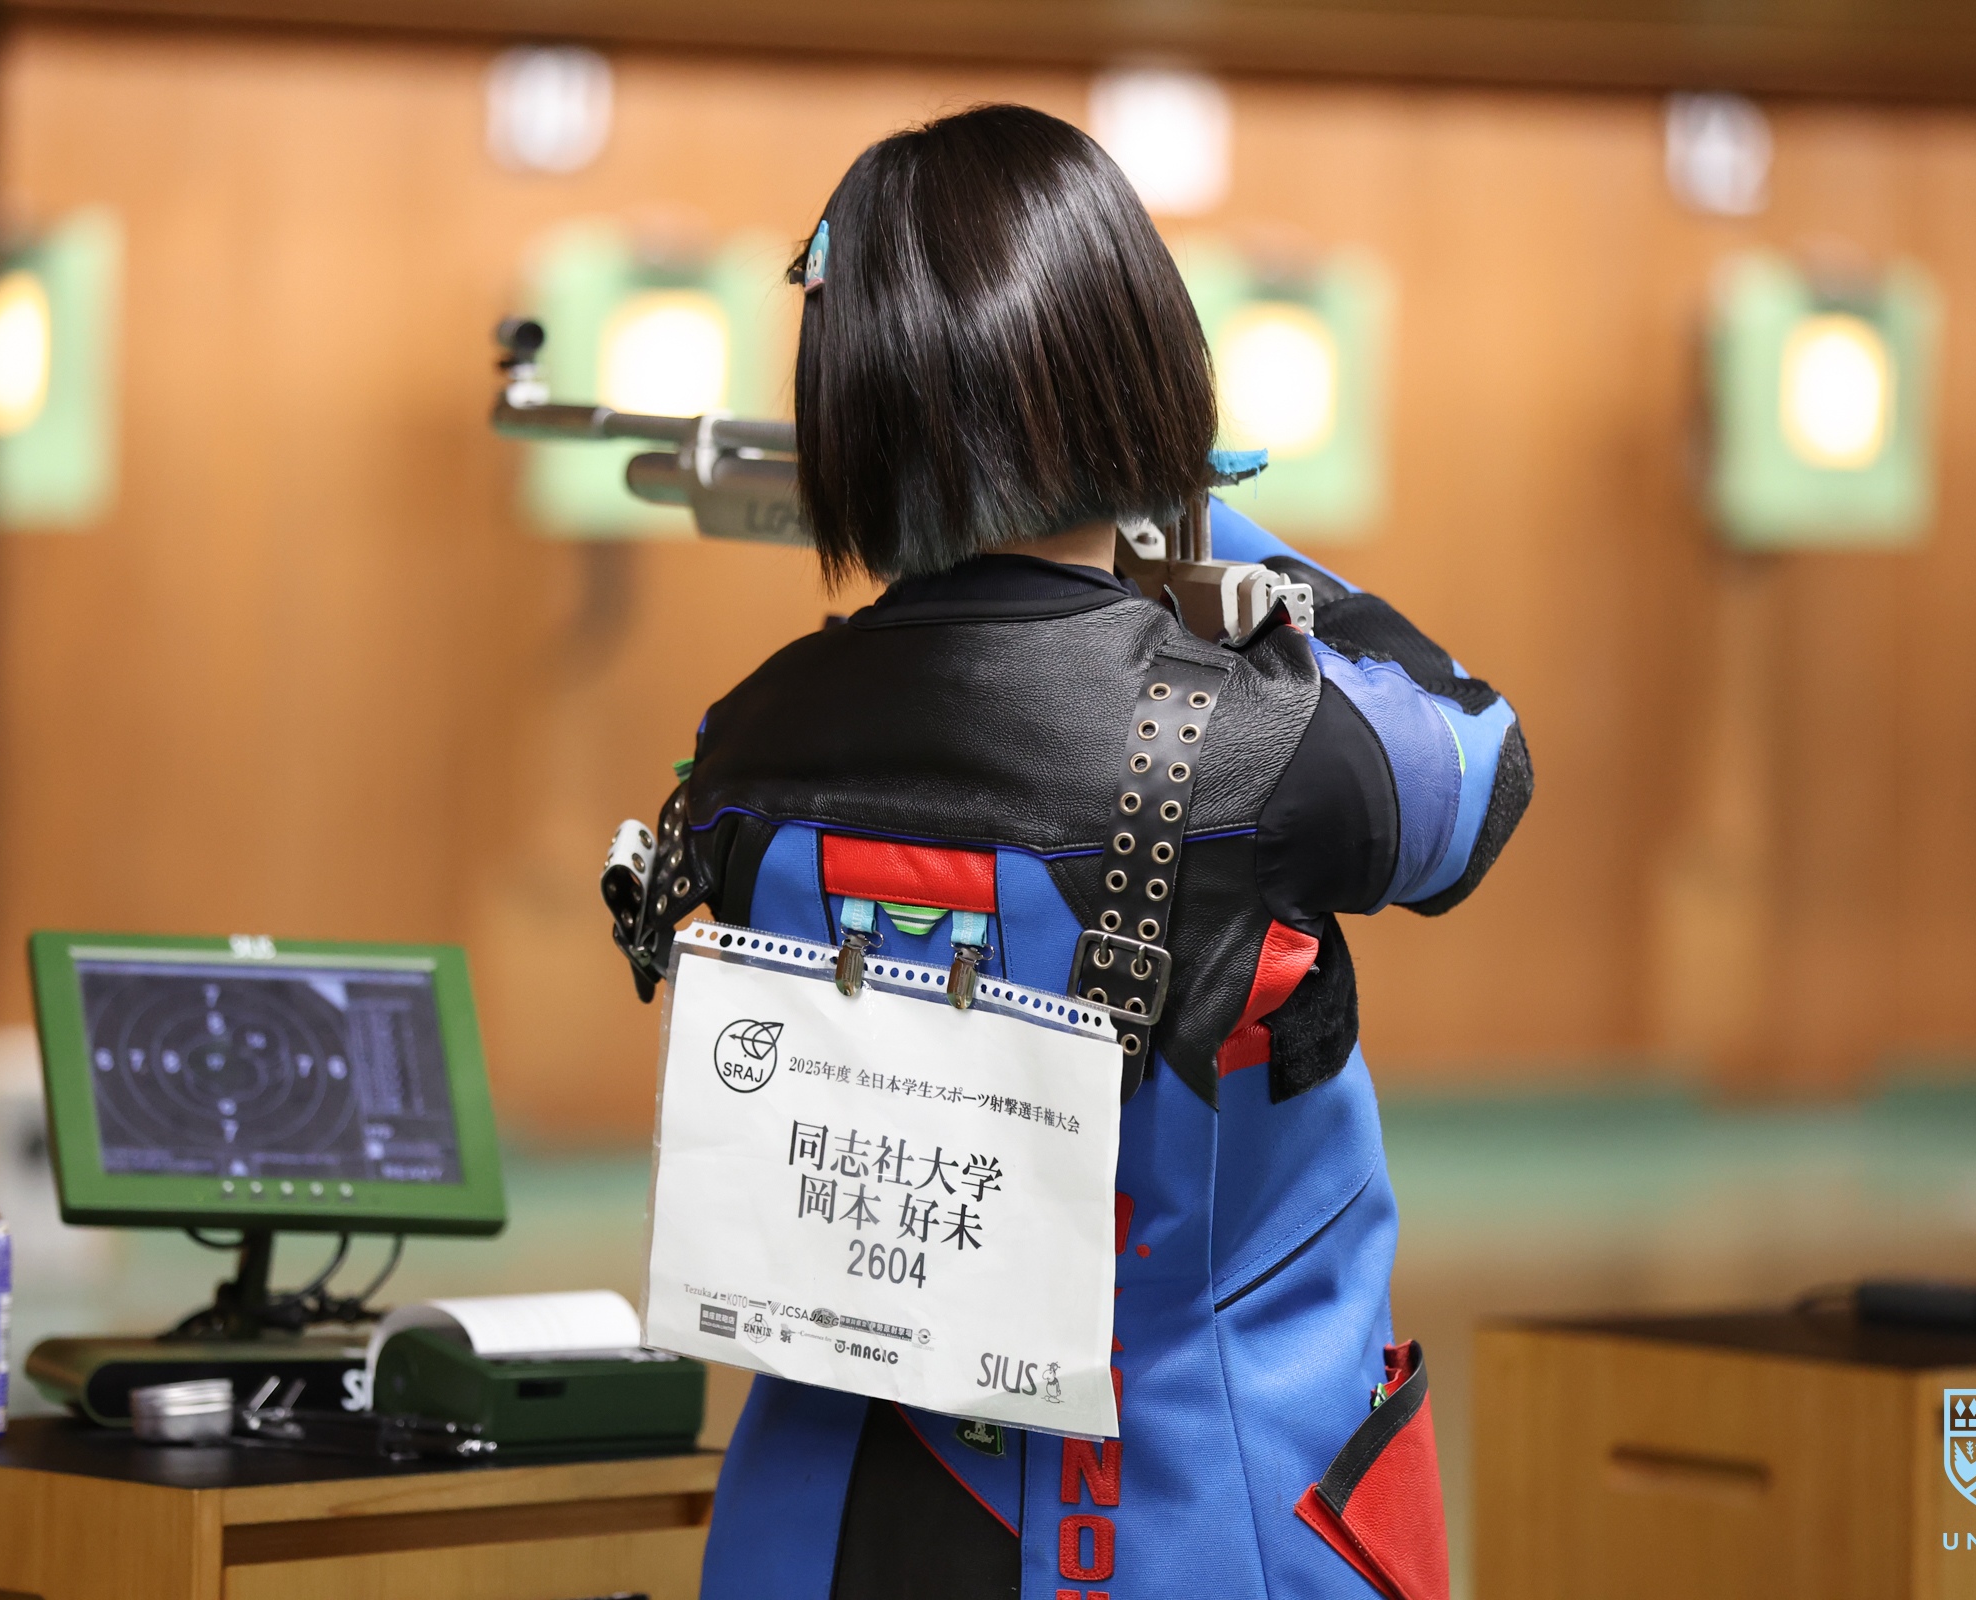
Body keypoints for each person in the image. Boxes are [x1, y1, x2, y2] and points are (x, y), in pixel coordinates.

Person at [613, 104, 1531, 1600]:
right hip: (1174, 1524)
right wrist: (1213, 531)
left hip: (815, 1524)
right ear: (1135, 358)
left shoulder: (744, 739)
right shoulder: (1268, 746)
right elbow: (1480, 764)